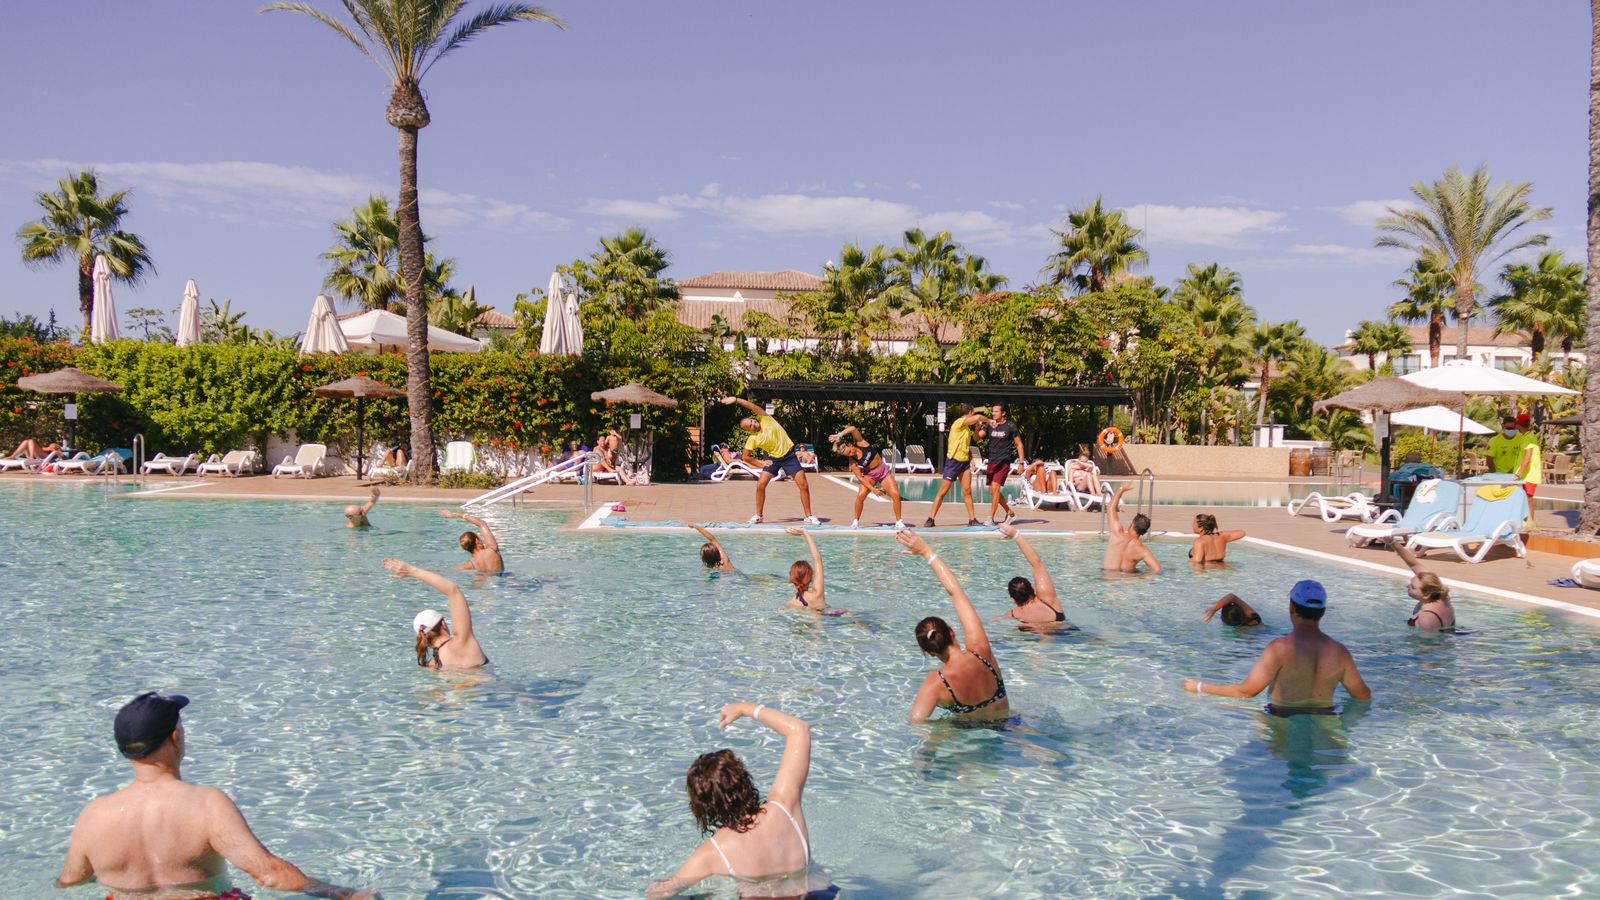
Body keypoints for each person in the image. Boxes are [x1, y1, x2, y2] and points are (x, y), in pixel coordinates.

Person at [57, 692, 374, 900]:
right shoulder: (206, 805)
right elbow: (268, 874)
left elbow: (70, 881)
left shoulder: (93, 816)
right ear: (175, 737)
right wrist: (339, 893)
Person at [646, 703, 829, 899]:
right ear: (744, 779)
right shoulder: (785, 806)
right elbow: (798, 729)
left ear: (702, 806)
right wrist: (745, 708)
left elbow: (659, 893)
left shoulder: (714, 852)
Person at [1182, 580, 1371, 716]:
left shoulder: (1279, 648)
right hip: (1326, 717)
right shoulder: (1340, 652)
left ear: (1291, 607)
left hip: (1281, 718)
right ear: (1323, 611)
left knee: (1229, 709)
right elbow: (1362, 696)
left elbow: (1246, 692)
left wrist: (1199, 687)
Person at [900, 530, 1010, 723]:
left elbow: (916, 723)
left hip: (968, 745)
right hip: (1009, 727)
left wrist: (944, 728)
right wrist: (927, 552)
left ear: (930, 652)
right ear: (951, 631)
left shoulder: (936, 683)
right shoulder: (981, 652)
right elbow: (956, 593)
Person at [721, 396, 819, 525]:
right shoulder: (753, 439)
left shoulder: (766, 419)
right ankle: (759, 515)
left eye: (751, 421)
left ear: (753, 419)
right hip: (773, 459)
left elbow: (752, 407)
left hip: (789, 456)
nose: (752, 424)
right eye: (749, 426)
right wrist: (761, 463)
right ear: (747, 430)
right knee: (761, 485)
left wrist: (736, 400)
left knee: (803, 485)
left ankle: (808, 516)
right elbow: (746, 457)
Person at [384, 558, 488, 669]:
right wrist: (412, 571)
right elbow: (453, 590)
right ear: (443, 623)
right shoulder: (462, 642)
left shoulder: (431, 666)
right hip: (488, 686)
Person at [924, 404, 990, 528]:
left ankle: (972, 519)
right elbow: (978, 417)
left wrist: (971, 460)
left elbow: (969, 443)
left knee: (967, 491)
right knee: (943, 491)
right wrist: (990, 421)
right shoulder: (958, 423)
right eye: (972, 414)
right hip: (953, 462)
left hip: (964, 463)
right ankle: (931, 518)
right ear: (970, 413)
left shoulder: (966, 429)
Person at [828, 425, 907, 529]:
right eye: (847, 455)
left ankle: (899, 521)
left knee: (896, 495)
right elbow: (860, 478)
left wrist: (839, 435)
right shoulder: (852, 460)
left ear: (850, 445)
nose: (850, 454)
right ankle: (855, 521)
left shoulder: (861, 443)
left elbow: (852, 428)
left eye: (849, 452)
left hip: (882, 470)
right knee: (860, 496)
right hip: (870, 475)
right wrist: (873, 489)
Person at [997, 524, 1065, 625]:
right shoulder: (1047, 599)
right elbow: (1037, 563)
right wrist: (1016, 535)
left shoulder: (1013, 614)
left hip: (1033, 639)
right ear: (1032, 588)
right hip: (1069, 635)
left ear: (1012, 599)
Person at [1393, 543, 1456, 632]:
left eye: (1413, 587)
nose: (1408, 586)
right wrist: (1392, 543)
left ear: (1426, 595)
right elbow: (1413, 564)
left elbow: (1429, 644)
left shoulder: (1427, 618)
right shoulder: (1440, 592)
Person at [982, 403, 1025, 526]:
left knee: (995, 488)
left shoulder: (1010, 426)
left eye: (996, 411)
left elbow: (1019, 444)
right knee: (992, 491)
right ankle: (1010, 513)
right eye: (993, 411)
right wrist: (976, 427)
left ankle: (991, 518)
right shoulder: (989, 425)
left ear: (1003, 413)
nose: (993, 413)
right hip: (992, 461)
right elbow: (977, 437)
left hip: (1003, 461)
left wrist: (1021, 462)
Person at [1103, 483, 1161, 573]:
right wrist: (1142, 578)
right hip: (1127, 581)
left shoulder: (1117, 533)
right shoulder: (1143, 550)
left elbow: (1110, 508)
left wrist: (1121, 489)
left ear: (1131, 525)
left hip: (1107, 578)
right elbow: (1157, 570)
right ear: (1144, 532)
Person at [783, 527, 840, 615]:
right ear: (810, 576)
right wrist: (805, 533)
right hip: (824, 623)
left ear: (792, 577)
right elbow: (817, 560)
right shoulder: (817, 595)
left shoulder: (790, 603)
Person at [437, 510, 504, 574]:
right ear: (477, 540)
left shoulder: (471, 564)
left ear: (464, 548)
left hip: (483, 583)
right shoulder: (492, 548)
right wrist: (457, 515)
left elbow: (447, 571)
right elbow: (482, 524)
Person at [1514, 412, 1543, 500]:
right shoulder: (1524, 437)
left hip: (1529, 476)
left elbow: (1527, 457)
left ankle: (1530, 515)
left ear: (1518, 424)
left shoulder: (1529, 437)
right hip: (1524, 475)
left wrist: (1518, 474)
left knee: (1527, 501)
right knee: (1522, 501)